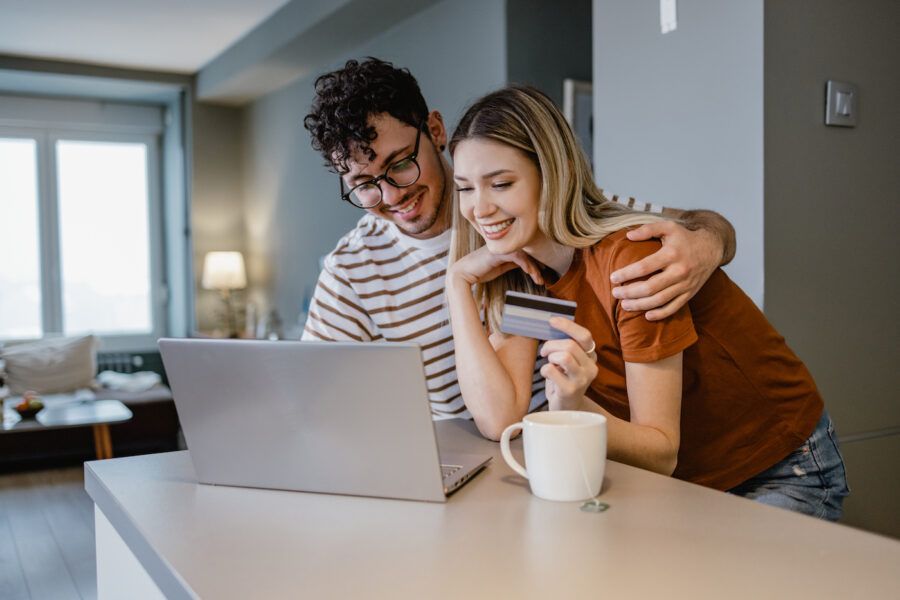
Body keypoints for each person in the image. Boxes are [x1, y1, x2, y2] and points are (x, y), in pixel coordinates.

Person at [446, 84, 848, 520]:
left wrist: (573, 403)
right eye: (465, 188)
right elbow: (499, 419)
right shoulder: (525, 276)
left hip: (780, 466)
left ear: (556, 170)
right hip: (686, 484)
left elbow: (660, 451)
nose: (479, 208)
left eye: (501, 184)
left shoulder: (629, 259)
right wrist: (456, 284)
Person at [301, 57, 736, 421]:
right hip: (479, 454)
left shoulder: (531, 220)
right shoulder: (351, 271)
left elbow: (694, 223)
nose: (392, 195)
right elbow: (309, 401)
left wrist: (707, 243)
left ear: (435, 131)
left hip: (551, 450)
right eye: (364, 183)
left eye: (400, 164)